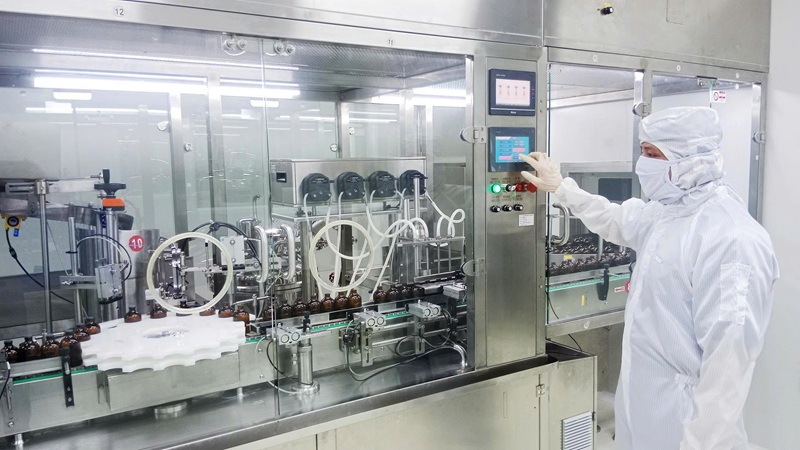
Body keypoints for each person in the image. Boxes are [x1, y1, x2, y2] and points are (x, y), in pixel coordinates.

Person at [521, 107, 778, 450]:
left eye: (652, 154)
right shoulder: (667, 212)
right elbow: (615, 218)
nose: (643, 164)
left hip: (687, 422)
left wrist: (700, 443)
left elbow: (728, 363)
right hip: (643, 405)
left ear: (690, 160)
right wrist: (561, 187)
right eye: (642, 152)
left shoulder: (731, 239)